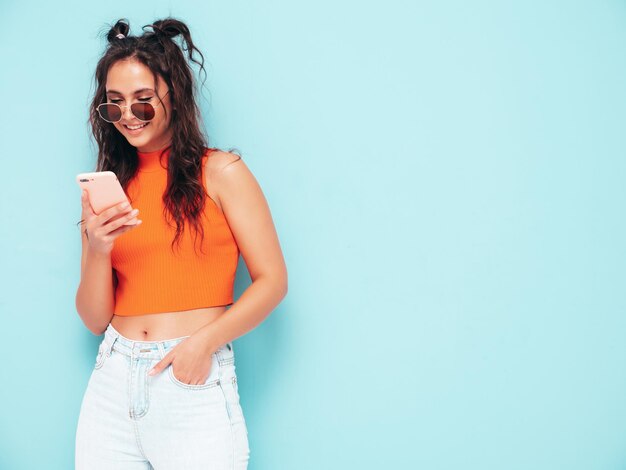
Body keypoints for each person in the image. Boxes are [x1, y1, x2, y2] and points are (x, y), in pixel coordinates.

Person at [74, 17, 288, 469]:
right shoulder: (108, 189)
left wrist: (203, 344)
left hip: (188, 377)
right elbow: (95, 319)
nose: (127, 116)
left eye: (143, 102)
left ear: (175, 96)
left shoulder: (221, 172)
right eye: (114, 105)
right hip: (112, 379)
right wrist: (96, 248)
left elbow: (272, 282)